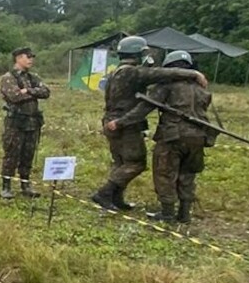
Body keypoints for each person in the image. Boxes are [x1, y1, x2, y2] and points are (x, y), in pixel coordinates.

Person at [90, 36, 207, 211]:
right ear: (138, 53)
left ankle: (116, 198)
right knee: (135, 163)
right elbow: (160, 73)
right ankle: (105, 193)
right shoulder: (132, 72)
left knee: (121, 162)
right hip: (125, 123)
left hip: (113, 120)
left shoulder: (117, 71)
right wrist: (193, 73)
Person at [111, 50, 214, 223]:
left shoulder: (166, 86)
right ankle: (184, 213)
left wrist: (120, 122)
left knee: (165, 173)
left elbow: (143, 109)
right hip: (199, 137)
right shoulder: (201, 89)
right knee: (187, 174)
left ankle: (167, 213)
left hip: (172, 136)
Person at [0, 47, 50, 200]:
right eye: (28, 57)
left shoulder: (32, 77)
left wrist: (26, 91)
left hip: (32, 122)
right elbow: (14, 96)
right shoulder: (8, 77)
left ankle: (25, 184)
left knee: (28, 154)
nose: (31, 60)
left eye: (31, 57)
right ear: (18, 58)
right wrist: (33, 91)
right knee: (12, 154)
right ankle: (6, 186)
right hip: (16, 122)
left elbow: (46, 92)